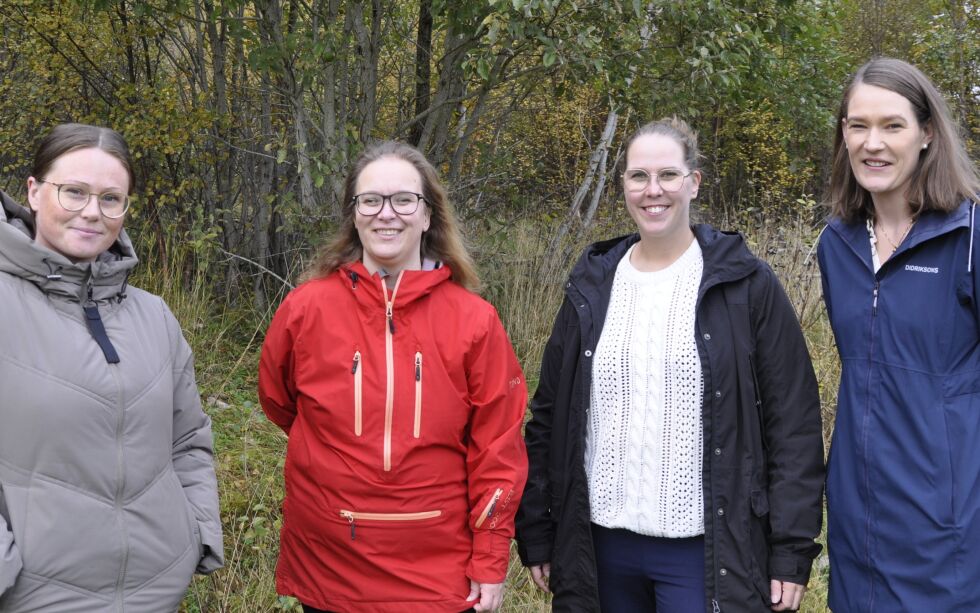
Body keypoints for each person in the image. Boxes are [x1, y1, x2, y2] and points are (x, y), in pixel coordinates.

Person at [516, 117, 825, 612]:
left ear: (693, 182)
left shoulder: (745, 284)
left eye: (668, 175)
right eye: (638, 176)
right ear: (623, 187)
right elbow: (550, 415)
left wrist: (790, 549)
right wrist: (537, 526)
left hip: (705, 551)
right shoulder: (592, 286)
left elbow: (794, 422)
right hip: (598, 547)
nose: (652, 190)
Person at [258, 140, 528, 613]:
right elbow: (281, 403)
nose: (387, 214)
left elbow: (497, 447)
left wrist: (489, 558)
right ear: (354, 214)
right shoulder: (305, 309)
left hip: (435, 568)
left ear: (428, 215)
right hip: (330, 561)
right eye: (371, 200)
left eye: (404, 200)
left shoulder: (475, 320)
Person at [0, 123, 223, 611]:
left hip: (157, 590)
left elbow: (187, 439)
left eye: (110, 198)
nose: (91, 213)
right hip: (33, 596)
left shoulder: (154, 316)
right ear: (34, 192)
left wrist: (196, 533)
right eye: (74, 192)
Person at [817, 57, 980, 611]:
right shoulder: (835, 244)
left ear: (927, 133)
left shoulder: (969, 237)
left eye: (892, 125)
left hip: (949, 531)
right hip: (856, 523)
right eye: (858, 125)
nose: (873, 144)